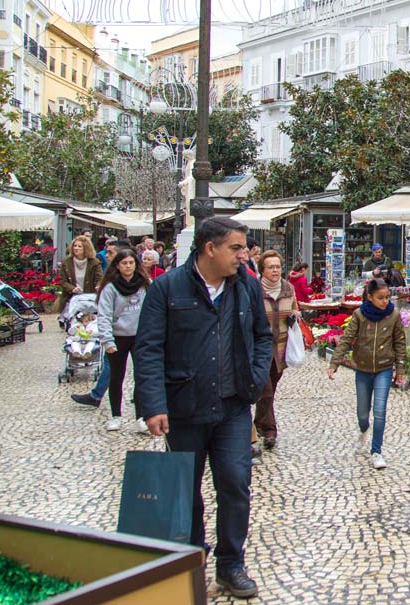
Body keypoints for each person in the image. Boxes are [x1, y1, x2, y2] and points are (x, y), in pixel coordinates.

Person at [133, 216, 272, 600]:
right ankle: (191, 562)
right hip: (185, 408)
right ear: (209, 248)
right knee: (185, 490)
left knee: (235, 483)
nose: (243, 256)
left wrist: (256, 377)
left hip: (231, 408)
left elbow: (262, 336)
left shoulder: (244, 285)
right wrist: (153, 405)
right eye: (236, 248)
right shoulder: (166, 288)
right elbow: (148, 349)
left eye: (244, 248)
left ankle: (231, 565)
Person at [327, 278, 407, 470]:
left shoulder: (394, 316)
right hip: (362, 369)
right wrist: (334, 363)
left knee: (380, 411)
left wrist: (401, 369)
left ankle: (376, 451)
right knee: (363, 412)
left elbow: (400, 343)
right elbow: (347, 339)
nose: (385, 301)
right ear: (369, 297)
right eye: (381, 298)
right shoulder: (359, 315)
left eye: (388, 297)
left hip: (384, 369)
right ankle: (363, 429)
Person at [95, 247, 152, 433]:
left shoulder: (144, 284)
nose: (128, 266)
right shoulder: (110, 288)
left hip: (140, 337)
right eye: (124, 263)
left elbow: (152, 310)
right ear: (117, 266)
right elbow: (104, 314)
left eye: (131, 263)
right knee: (116, 377)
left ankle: (141, 416)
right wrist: (107, 340)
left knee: (141, 377)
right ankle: (116, 415)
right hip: (118, 337)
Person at [254, 251, 299, 450]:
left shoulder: (288, 288)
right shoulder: (253, 289)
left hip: (280, 348)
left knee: (270, 389)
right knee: (266, 390)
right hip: (259, 349)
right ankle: (270, 430)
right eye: (271, 267)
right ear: (262, 270)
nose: (275, 270)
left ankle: (258, 424)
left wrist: (295, 315)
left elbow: (295, 308)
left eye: (278, 267)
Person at [60, 235, 105, 303]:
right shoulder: (66, 262)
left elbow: (100, 278)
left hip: (89, 298)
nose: (76, 248)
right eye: (74, 246)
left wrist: (98, 286)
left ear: (86, 248)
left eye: (79, 246)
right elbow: (63, 281)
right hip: (70, 299)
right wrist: (72, 289)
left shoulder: (95, 263)